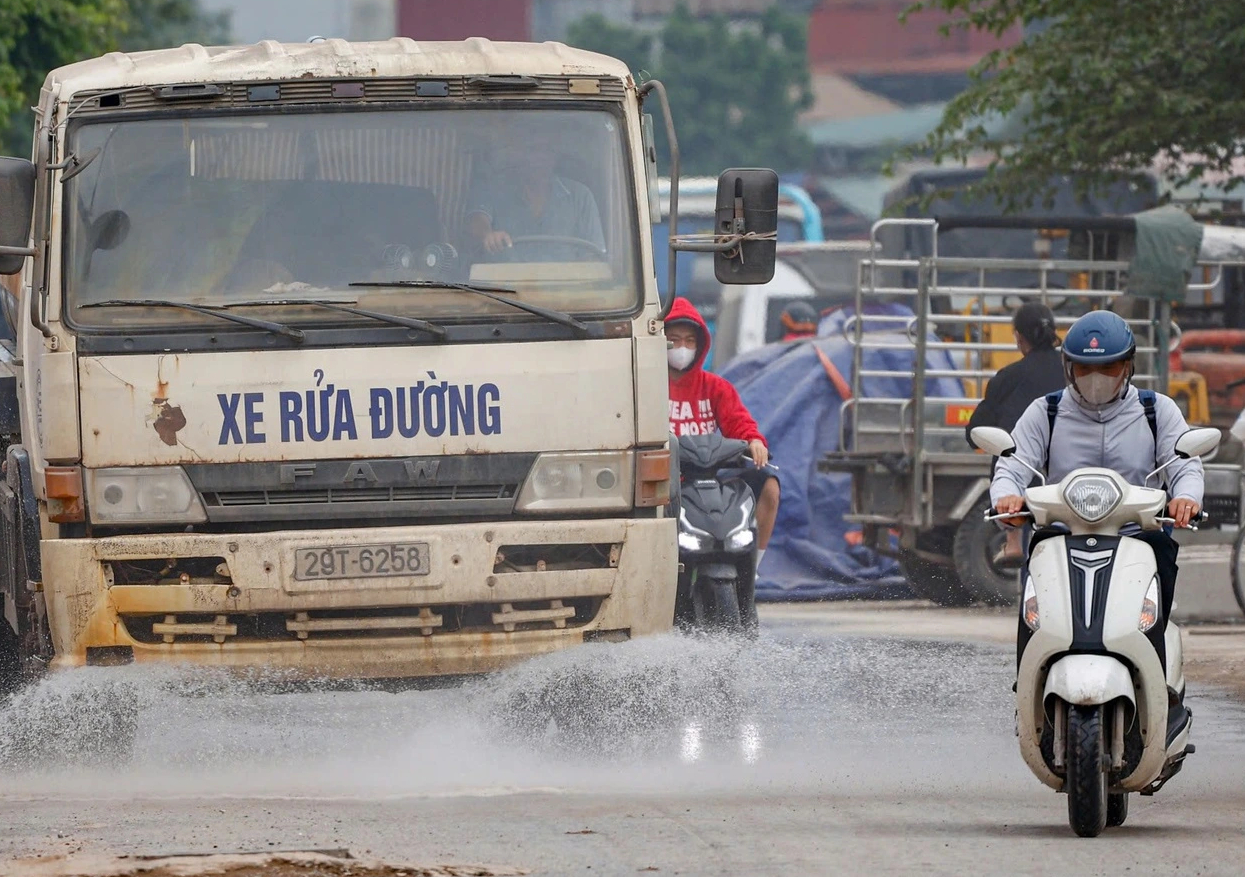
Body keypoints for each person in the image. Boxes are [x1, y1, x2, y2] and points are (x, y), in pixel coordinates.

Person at [992, 309, 1202, 635]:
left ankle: (1157, 668)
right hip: (1062, 533)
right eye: (1085, 367)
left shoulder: (1156, 410)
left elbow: (1184, 463)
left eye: (1108, 367)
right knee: (1036, 613)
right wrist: (1006, 497)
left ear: (1128, 366)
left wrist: (1186, 498)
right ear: (1069, 368)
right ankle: (1030, 674)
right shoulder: (1045, 411)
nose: (1096, 376)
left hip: (1137, 534)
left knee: (1159, 572)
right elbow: (1011, 464)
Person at [665, 297, 780, 566]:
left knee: (770, 487)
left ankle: (753, 569)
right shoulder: (645, 383)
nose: (682, 348)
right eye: (675, 340)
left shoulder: (716, 387)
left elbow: (739, 422)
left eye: (690, 341)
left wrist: (753, 441)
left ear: (700, 345)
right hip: (664, 481)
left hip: (710, 480)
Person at [966, 302, 1066, 563]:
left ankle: (1012, 539)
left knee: (1006, 450)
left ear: (1019, 338)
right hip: (1074, 475)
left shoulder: (1009, 377)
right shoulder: (1075, 372)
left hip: (1027, 481)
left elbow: (976, 430)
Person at [466, 125, 605, 262]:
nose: (540, 157)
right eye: (532, 150)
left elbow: (593, 257)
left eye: (547, 150)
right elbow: (477, 220)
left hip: (565, 284)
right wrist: (488, 236)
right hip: (498, 284)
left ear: (556, 156)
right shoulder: (493, 189)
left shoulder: (581, 196)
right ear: (519, 154)